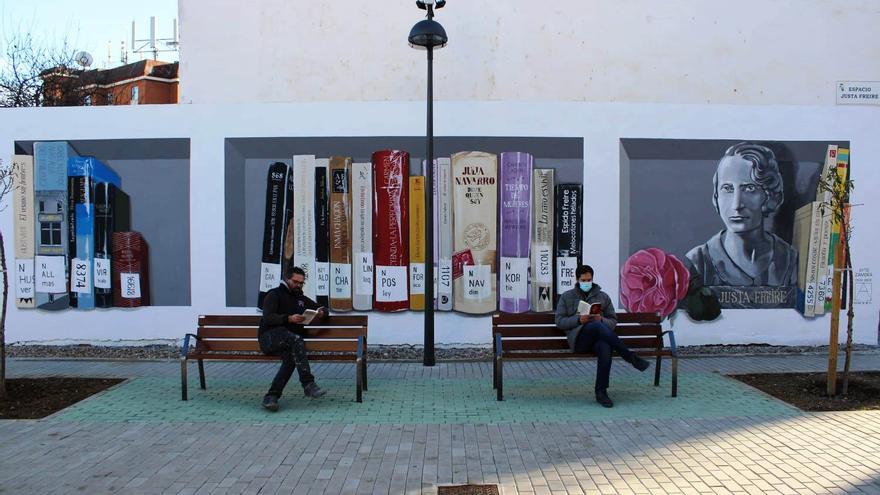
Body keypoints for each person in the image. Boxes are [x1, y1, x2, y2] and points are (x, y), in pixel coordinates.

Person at [686, 142, 798, 287]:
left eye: (749, 188)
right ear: (716, 197)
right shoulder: (698, 263)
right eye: (727, 188)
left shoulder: (790, 260)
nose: (736, 205)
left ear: (771, 196)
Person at [555, 264, 650, 408]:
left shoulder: (603, 297)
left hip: (598, 339)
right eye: (584, 280)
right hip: (579, 341)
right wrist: (578, 320)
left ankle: (601, 392)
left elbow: (613, 321)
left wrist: (602, 319)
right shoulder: (567, 297)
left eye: (589, 280)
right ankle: (629, 357)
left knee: (605, 346)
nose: (587, 283)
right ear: (577, 279)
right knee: (595, 326)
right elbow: (559, 321)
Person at [259, 266, 327, 411]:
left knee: (291, 358)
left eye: (301, 283)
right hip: (269, 338)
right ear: (287, 279)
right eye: (296, 282)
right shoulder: (274, 294)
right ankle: (308, 384)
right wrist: (289, 319)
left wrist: (322, 312)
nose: (299, 285)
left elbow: (321, 308)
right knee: (296, 340)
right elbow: (268, 317)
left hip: (289, 342)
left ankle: (271, 397)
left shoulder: (300, 299)